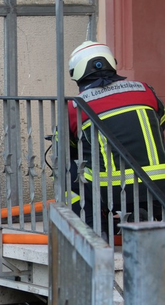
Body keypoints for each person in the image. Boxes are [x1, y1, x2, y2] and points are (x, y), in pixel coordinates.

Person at [67, 40, 165, 233]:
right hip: (158, 185)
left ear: (77, 73)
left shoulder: (75, 106)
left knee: (67, 170)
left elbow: (64, 147)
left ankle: (95, 231)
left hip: (113, 191)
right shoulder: (145, 90)